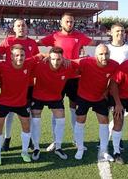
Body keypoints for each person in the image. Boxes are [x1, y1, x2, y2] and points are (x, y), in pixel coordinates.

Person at [37, 12, 93, 151]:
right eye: (67, 21)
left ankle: (76, 139)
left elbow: (94, 45)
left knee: (75, 108)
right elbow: (35, 44)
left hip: (74, 78)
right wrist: (45, 55)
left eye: (72, 22)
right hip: (57, 78)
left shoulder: (80, 36)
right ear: (61, 23)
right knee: (57, 109)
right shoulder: (54, 36)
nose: (70, 24)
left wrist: (86, 56)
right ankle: (56, 141)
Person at [0, 18, 39, 151]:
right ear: (14, 28)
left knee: (28, 115)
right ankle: (7, 138)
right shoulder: (9, 41)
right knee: (9, 113)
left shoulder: (32, 43)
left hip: (28, 85)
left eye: (23, 25)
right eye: (18, 25)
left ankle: (31, 141)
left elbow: (37, 60)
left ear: (27, 28)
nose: (21, 27)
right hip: (10, 84)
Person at [0, 44, 42, 166]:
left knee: (26, 127)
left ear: (26, 56)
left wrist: (48, 56)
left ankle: (24, 152)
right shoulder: (1, 66)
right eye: (16, 55)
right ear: (11, 57)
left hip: (22, 103)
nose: (19, 58)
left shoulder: (29, 63)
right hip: (4, 102)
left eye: (22, 55)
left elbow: (41, 55)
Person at [30, 47, 78, 161]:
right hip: (38, 95)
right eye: (52, 59)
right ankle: (36, 148)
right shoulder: (40, 65)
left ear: (63, 59)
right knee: (35, 119)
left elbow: (84, 63)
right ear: (48, 58)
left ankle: (58, 146)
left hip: (55, 96)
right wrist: (41, 55)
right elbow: (25, 62)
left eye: (58, 59)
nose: (55, 62)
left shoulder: (68, 66)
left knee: (61, 118)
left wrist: (69, 61)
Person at [73, 44, 118, 161]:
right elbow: (69, 62)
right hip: (83, 96)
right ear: (95, 55)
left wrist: (107, 90)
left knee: (104, 121)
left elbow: (113, 82)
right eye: (101, 54)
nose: (104, 57)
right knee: (80, 120)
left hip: (100, 97)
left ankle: (103, 150)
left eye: (106, 54)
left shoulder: (114, 65)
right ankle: (80, 148)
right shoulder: (85, 62)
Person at [106, 23, 128, 151]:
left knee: (118, 114)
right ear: (111, 33)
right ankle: (104, 138)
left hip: (122, 88)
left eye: (122, 31)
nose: (120, 33)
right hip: (105, 86)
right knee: (104, 114)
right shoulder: (105, 47)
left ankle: (119, 139)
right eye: (117, 31)